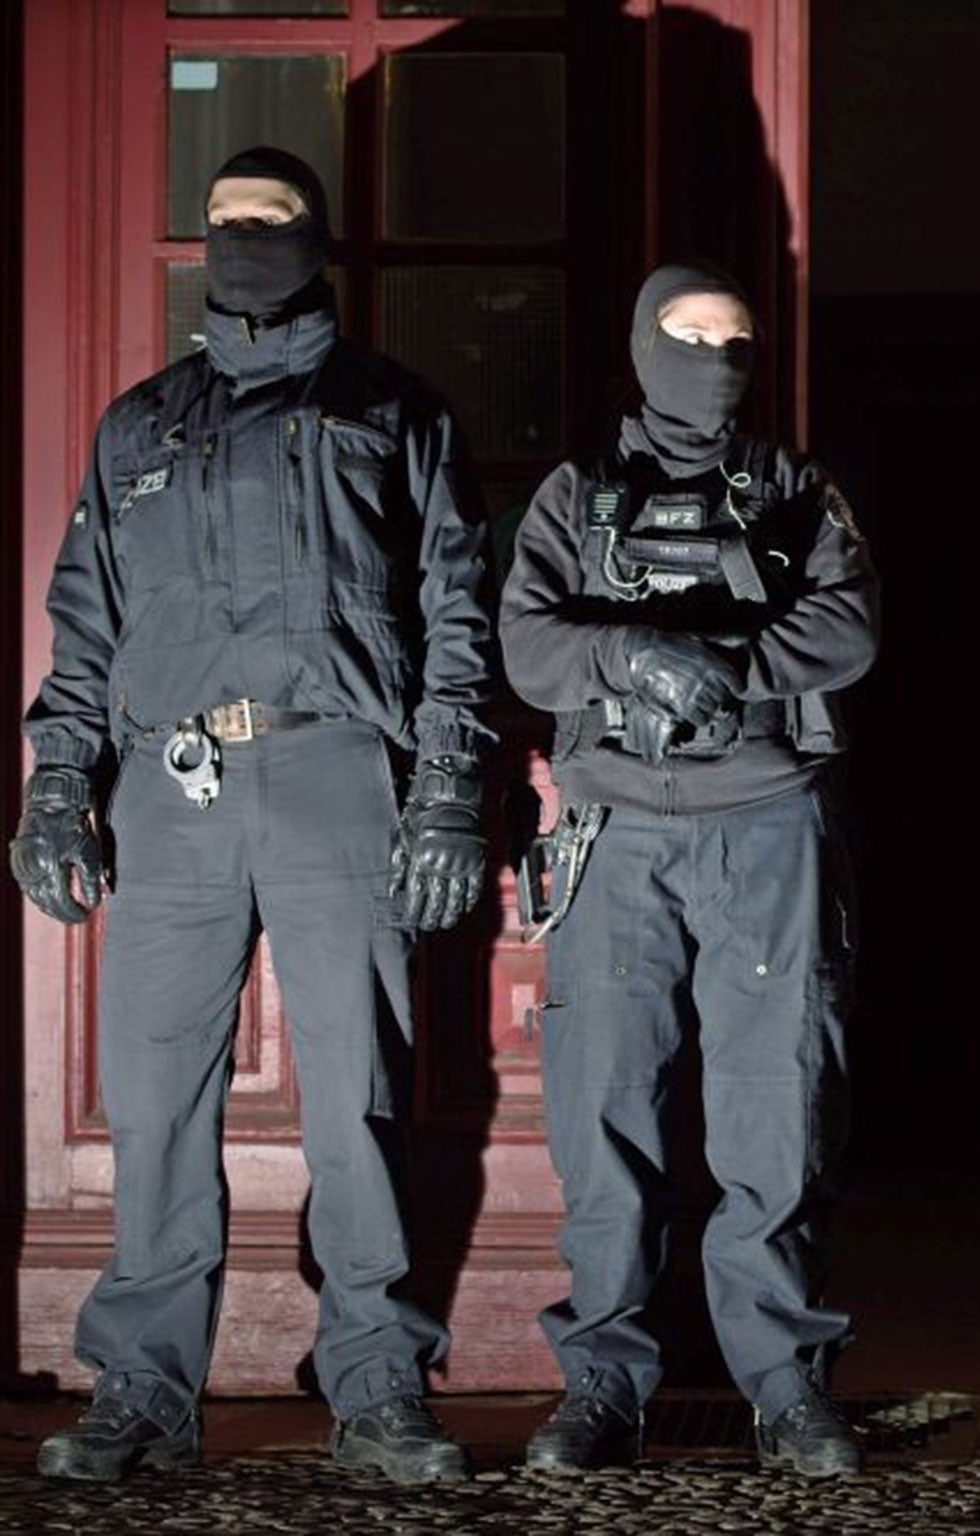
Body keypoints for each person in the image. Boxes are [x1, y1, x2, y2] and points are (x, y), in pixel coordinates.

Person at [11, 147, 494, 1485]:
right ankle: (145, 1392)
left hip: (340, 773)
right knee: (158, 1096)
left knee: (360, 1095)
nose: (245, 241)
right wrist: (59, 782)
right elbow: (83, 626)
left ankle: (381, 1381)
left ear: (319, 241)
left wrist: (449, 787)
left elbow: (459, 609)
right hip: (170, 793)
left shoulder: (395, 412)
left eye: (271, 220)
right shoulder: (139, 426)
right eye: (223, 220)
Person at [500, 261, 878, 1478]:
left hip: (764, 822)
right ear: (640, 345)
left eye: (733, 338)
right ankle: (603, 1389)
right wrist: (630, 658)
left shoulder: (794, 487)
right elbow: (524, 640)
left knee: (775, 1110)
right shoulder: (579, 494)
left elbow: (848, 625)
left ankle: (784, 1387)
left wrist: (723, 658)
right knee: (604, 1112)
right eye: (686, 334)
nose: (712, 359)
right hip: (616, 828)